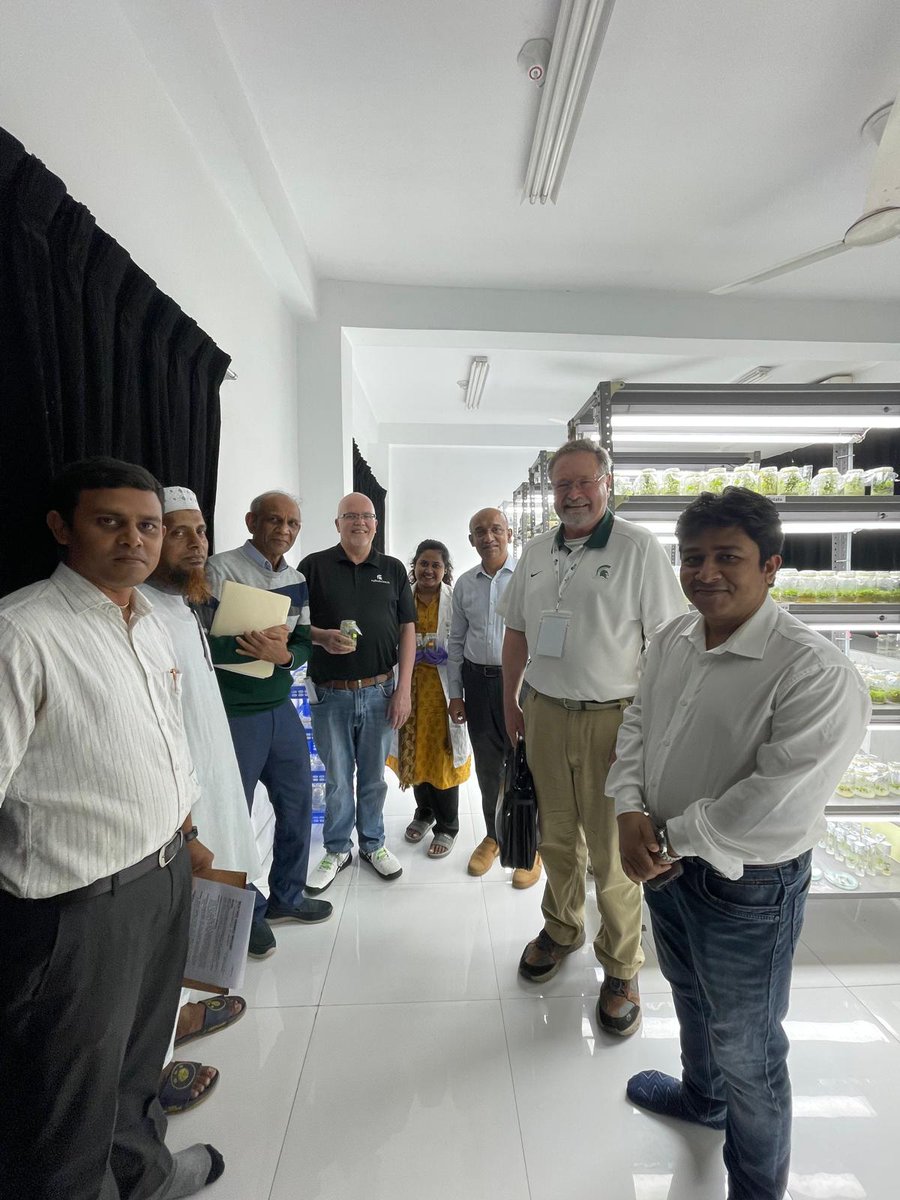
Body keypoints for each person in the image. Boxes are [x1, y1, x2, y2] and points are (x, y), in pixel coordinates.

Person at [607, 487, 871, 1200]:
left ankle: (756, 1187)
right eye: (693, 558)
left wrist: (668, 833)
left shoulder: (812, 669)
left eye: (729, 557)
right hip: (666, 865)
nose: (707, 573)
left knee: (749, 1047)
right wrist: (629, 805)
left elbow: (775, 797)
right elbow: (638, 727)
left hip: (746, 882)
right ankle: (702, 1099)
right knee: (690, 994)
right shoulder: (674, 638)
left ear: (772, 566)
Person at [0, 457, 224, 1200]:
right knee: (71, 1104)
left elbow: (163, 740)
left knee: (138, 1064)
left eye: (149, 525)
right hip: (80, 908)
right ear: (63, 527)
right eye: (111, 522)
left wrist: (187, 834)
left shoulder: (149, 621)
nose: (135, 539)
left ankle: (144, 1176)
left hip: (163, 876)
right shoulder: (21, 633)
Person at [498, 438, 686, 1036]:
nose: (573, 495)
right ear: (551, 491)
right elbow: (518, 633)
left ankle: (623, 963)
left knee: (612, 851)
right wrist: (512, 700)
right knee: (555, 837)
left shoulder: (637, 548)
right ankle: (561, 927)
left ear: (607, 483)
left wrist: (649, 724)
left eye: (584, 482)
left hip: (614, 718)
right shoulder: (533, 551)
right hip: (546, 713)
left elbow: (670, 641)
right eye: (562, 485)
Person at [143, 486, 263, 1113]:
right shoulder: (135, 611)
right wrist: (184, 825)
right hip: (173, 813)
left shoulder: (182, 605)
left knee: (193, 922)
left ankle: (182, 1016)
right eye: (179, 532)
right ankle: (155, 1069)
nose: (196, 546)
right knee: (162, 933)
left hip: (204, 789)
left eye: (201, 532)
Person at [205, 491, 332, 961]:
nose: (284, 529)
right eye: (274, 520)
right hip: (235, 713)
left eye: (293, 523)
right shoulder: (220, 570)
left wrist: (283, 655)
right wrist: (252, 646)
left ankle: (288, 896)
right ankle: (247, 915)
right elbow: (203, 643)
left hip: (280, 709)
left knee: (297, 804)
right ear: (251, 521)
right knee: (235, 819)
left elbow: (301, 644)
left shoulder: (297, 580)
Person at [300, 493, 415, 891]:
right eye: (350, 516)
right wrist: (321, 637)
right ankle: (336, 848)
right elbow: (292, 624)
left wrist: (404, 689)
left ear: (376, 524)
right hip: (330, 693)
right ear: (337, 523)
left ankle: (372, 843)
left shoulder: (394, 569)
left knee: (373, 777)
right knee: (336, 777)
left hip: (381, 690)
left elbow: (407, 630)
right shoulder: (312, 567)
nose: (359, 523)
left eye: (367, 516)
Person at [447, 507, 540, 886]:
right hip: (478, 681)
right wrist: (456, 694)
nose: (489, 537)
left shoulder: (529, 578)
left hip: (522, 682)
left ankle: (530, 847)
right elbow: (455, 641)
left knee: (528, 764)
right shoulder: (465, 585)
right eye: (480, 531)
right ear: (471, 540)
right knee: (488, 766)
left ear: (510, 534)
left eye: (496, 529)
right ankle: (494, 836)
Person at [388, 540, 471, 857]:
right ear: (414, 566)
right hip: (409, 690)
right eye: (424, 563)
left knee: (443, 757)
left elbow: (464, 638)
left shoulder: (454, 600)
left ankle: (448, 825)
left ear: (445, 570)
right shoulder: (400, 597)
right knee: (415, 752)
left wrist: (446, 655)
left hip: (442, 692)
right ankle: (424, 813)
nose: (429, 570)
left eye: (436, 565)